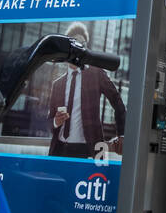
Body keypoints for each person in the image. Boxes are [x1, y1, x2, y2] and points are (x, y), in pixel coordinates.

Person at [48, 22, 125, 158]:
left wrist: (122, 134)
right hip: (58, 151)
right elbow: (49, 122)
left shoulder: (96, 74)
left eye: (82, 44)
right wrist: (55, 121)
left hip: (88, 151)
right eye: (74, 44)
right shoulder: (57, 84)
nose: (78, 49)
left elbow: (117, 102)